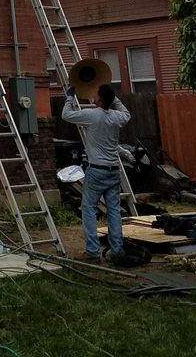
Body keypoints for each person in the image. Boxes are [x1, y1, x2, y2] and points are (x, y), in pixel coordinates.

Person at [62, 83, 131, 263]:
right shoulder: (117, 117)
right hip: (113, 170)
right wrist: (113, 98)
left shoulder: (92, 115)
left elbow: (66, 115)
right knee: (114, 211)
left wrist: (70, 96)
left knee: (89, 209)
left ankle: (92, 251)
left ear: (99, 98)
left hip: (96, 170)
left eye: (97, 94)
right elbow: (126, 113)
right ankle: (117, 251)